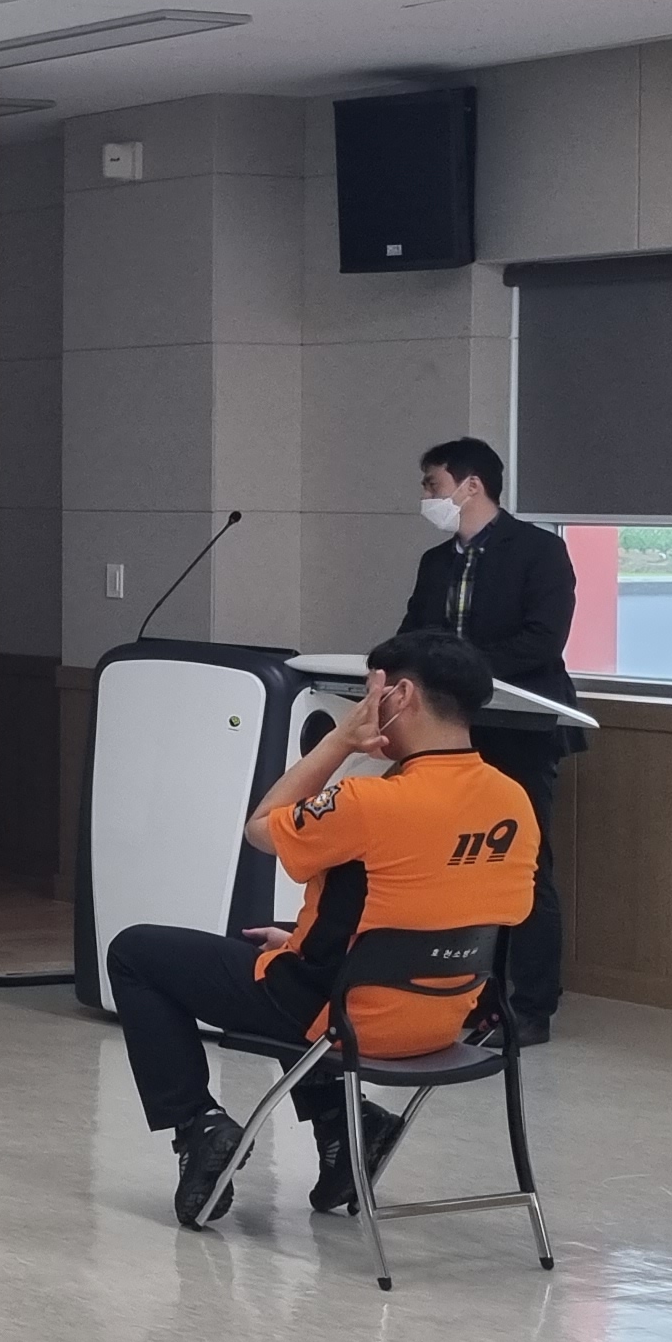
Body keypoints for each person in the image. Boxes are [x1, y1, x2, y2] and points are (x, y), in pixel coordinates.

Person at [109, 627, 538, 1229]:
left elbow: (262, 827)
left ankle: (197, 1125)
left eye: (370, 693)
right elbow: (430, 904)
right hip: (445, 1015)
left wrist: (339, 741)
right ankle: (345, 1127)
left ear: (400, 696)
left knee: (135, 952)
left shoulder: (370, 801)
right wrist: (302, 941)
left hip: (351, 1019)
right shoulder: (514, 800)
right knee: (286, 951)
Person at [400, 436, 577, 1040]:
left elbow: (541, 642)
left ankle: (530, 1006)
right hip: (451, 732)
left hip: (521, 729)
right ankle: (473, 993)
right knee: (461, 863)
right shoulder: (436, 562)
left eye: (433, 484)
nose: (426, 495)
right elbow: (413, 634)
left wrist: (458, 668)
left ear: (471, 485)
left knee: (523, 865)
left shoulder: (539, 551)